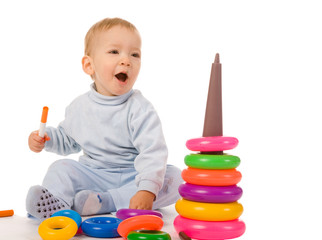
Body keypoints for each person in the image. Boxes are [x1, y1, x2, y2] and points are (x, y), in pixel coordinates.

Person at [26, 17, 182, 220]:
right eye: (114, 52)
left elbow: (153, 152)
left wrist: (147, 190)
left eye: (135, 54)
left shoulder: (140, 108)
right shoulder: (79, 107)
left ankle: (105, 202)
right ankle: (57, 205)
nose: (126, 60)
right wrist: (46, 138)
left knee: (176, 178)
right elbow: (68, 140)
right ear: (89, 65)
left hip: (132, 177)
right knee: (60, 168)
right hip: (93, 174)